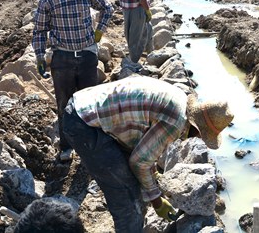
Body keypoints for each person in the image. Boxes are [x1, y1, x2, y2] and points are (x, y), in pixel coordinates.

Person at [61, 75, 234, 232]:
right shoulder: (176, 122)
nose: (195, 140)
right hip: (83, 123)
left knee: (135, 185)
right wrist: (157, 201)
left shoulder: (179, 98)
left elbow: (143, 144)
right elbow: (139, 162)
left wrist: (153, 176)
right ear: (197, 129)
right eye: (202, 136)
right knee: (127, 197)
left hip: (86, 104)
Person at [32, 0, 114, 160]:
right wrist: (40, 56)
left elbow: (108, 7)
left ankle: (90, 147)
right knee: (64, 105)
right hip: (63, 59)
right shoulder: (48, 0)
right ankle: (67, 147)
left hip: (87, 56)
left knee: (90, 105)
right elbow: (40, 31)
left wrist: (100, 31)